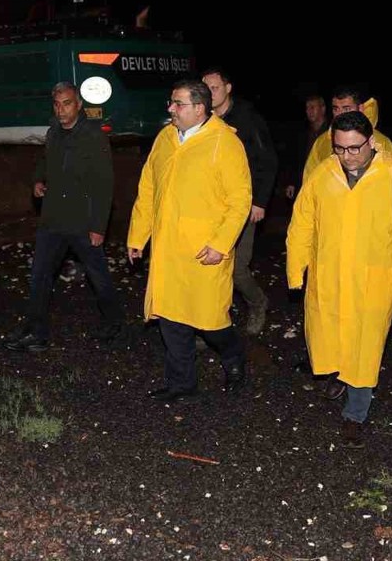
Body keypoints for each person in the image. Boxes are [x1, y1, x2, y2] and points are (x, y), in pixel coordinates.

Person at [287, 111, 392, 448]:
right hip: (330, 277)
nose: (347, 157)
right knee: (332, 336)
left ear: (371, 143)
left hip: (374, 282)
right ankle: (340, 377)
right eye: (339, 149)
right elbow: (302, 225)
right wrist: (297, 270)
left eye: (354, 149)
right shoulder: (323, 175)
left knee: (364, 349)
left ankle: (355, 414)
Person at [128, 80, 251, 402]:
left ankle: (234, 359)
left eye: (178, 104)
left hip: (204, 251)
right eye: (171, 102)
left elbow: (240, 201)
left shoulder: (224, 143)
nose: (171, 109)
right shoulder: (166, 138)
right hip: (169, 249)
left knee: (210, 321)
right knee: (171, 317)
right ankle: (182, 383)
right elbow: (148, 189)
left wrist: (221, 244)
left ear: (200, 108)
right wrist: (138, 236)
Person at [4, 83, 123, 351]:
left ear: (79, 105)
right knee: (40, 276)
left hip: (83, 221)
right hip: (54, 219)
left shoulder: (93, 135)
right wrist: (38, 180)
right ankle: (36, 332)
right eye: (57, 104)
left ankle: (114, 322)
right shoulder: (53, 132)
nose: (61, 109)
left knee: (98, 275)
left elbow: (105, 183)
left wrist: (98, 226)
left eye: (67, 103)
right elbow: (45, 161)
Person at [202, 68, 278, 335]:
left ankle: (258, 303)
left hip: (243, 204)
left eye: (215, 88)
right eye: (206, 88)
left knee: (236, 268)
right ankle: (211, 324)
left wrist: (259, 202)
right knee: (210, 265)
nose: (210, 93)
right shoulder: (204, 119)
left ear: (228, 88)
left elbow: (267, 161)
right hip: (212, 205)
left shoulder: (247, 117)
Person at [301, 86, 392, 182]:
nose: (340, 114)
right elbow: (309, 181)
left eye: (346, 109)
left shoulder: (381, 142)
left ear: (360, 109)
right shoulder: (322, 142)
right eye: (336, 109)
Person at [284, 94, 329, 201]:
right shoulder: (303, 133)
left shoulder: (332, 132)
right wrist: (292, 182)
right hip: (306, 184)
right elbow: (297, 160)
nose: (309, 111)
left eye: (313, 107)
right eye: (307, 108)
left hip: (325, 183)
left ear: (322, 108)